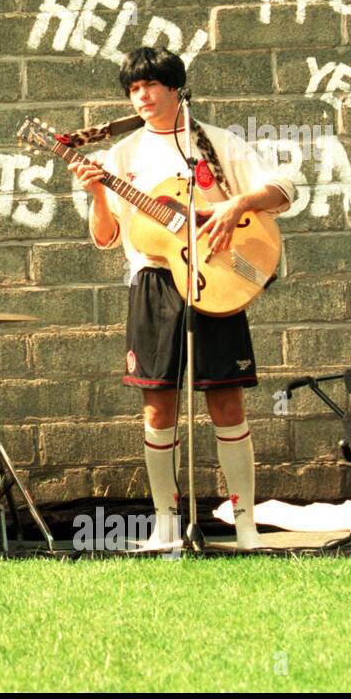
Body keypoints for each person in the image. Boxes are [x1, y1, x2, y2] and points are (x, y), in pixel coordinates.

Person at [69, 46, 296, 549]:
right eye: (133, 89)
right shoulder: (121, 154)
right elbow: (106, 238)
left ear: (176, 88)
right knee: (157, 405)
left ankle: (245, 524)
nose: (143, 96)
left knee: (227, 400)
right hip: (153, 281)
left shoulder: (216, 142)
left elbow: (283, 191)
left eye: (151, 85)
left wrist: (237, 202)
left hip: (217, 276)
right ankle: (166, 522)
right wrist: (98, 195)